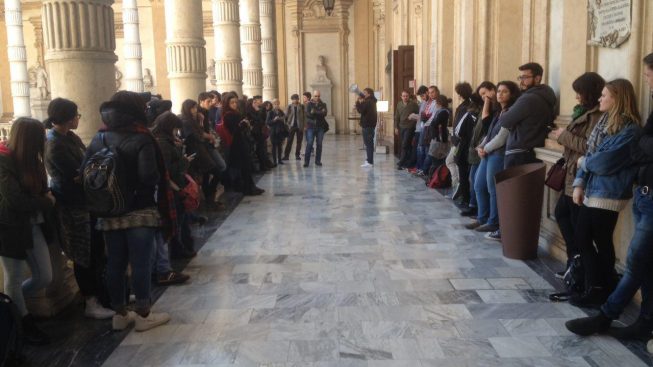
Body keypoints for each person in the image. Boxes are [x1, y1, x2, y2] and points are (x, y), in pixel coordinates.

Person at [565, 59, 653, 338]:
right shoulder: (606, 123)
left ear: (618, 98)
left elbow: (601, 162)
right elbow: (594, 158)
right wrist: (582, 175)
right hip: (638, 193)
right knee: (642, 263)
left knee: (635, 260)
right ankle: (641, 320)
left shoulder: (630, 128)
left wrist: (585, 164)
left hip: (612, 193)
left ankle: (604, 303)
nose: (647, 80)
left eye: (649, 75)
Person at [84, 91, 174, 332]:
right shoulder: (142, 137)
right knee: (142, 262)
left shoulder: (98, 136)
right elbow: (149, 177)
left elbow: (86, 171)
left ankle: (120, 314)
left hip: (109, 211)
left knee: (115, 262)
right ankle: (144, 314)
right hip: (139, 210)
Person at [43, 98, 115, 319]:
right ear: (66, 117)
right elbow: (79, 173)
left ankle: (105, 295)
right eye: (76, 114)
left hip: (85, 202)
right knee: (84, 255)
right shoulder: (54, 144)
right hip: (72, 207)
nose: (78, 118)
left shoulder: (69, 137)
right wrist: (87, 171)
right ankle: (90, 301)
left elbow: (87, 164)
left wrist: (87, 170)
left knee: (96, 251)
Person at [0, 118, 56, 345]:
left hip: (33, 225)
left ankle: (12, 308)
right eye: (40, 137)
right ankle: (22, 321)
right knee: (12, 278)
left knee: (44, 276)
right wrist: (46, 201)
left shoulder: (30, 159)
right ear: (29, 140)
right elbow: (14, 200)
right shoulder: (3, 160)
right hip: (10, 229)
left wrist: (44, 199)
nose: (44, 141)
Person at [548, 72, 605, 277]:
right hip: (571, 174)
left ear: (589, 92)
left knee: (576, 224)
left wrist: (564, 136)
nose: (577, 97)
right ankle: (574, 263)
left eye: (579, 92)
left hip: (580, 177)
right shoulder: (584, 112)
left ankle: (578, 268)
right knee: (563, 215)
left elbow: (589, 147)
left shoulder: (597, 116)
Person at [467, 81, 521, 238]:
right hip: (487, 152)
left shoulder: (511, 112)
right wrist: (481, 146)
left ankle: (493, 221)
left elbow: (502, 137)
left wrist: (485, 148)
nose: (500, 94)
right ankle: (482, 217)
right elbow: (490, 133)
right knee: (478, 185)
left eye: (504, 91)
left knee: (492, 189)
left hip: (498, 154)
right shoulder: (499, 112)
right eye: (498, 91)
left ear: (512, 94)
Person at [151, 112, 193, 284]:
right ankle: (172, 256)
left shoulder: (163, 140)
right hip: (170, 188)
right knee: (172, 221)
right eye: (175, 128)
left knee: (178, 218)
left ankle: (178, 248)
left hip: (172, 186)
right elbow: (167, 170)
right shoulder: (163, 143)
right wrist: (183, 161)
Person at [501, 62, 557, 168]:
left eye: (525, 77)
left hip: (519, 153)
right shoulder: (544, 96)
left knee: (513, 185)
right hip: (530, 151)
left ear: (537, 78)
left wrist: (505, 111)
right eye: (520, 77)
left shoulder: (528, 99)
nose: (521, 81)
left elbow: (505, 121)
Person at [461, 81, 497, 217]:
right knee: (476, 182)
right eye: (481, 95)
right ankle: (480, 213)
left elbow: (488, 126)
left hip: (488, 150)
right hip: (480, 148)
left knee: (484, 185)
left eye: (484, 93)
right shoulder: (485, 107)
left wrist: (483, 146)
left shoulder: (494, 109)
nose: (483, 97)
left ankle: (485, 216)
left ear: (492, 89)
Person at [180, 99, 222, 205]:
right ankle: (209, 197)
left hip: (201, 150)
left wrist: (201, 121)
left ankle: (209, 198)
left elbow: (200, 132)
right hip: (196, 152)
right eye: (193, 108)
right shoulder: (186, 121)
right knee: (215, 172)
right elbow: (197, 136)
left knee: (207, 174)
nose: (195, 110)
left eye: (195, 107)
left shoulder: (193, 120)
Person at [223, 93, 265, 196]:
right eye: (232, 102)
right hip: (236, 144)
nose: (234, 104)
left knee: (246, 166)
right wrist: (243, 124)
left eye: (235, 102)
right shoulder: (228, 115)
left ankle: (250, 187)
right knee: (244, 166)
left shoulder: (235, 113)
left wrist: (244, 124)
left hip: (241, 141)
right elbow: (235, 130)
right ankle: (247, 188)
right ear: (227, 103)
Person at [451, 93, 482, 205]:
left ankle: (466, 199)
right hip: (477, 148)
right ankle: (473, 202)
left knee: (464, 174)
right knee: (473, 176)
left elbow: (458, 131)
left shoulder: (468, 114)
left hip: (465, 148)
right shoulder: (481, 114)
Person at [447, 82, 474, 197]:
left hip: (460, 141)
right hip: (459, 140)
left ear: (460, 94)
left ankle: (458, 185)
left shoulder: (464, 107)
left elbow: (460, 126)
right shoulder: (467, 105)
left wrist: (455, 139)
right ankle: (459, 186)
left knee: (452, 161)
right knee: (455, 162)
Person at [412, 86, 439, 176]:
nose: (431, 94)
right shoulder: (428, 102)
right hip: (423, 127)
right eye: (430, 92)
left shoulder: (437, 102)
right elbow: (425, 114)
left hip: (428, 128)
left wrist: (424, 120)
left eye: (432, 92)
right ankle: (421, 168)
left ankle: (424, 169)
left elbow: (432, 116)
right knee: (421, 148)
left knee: (426, 149)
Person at [394, 90, 420, 170]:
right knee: (405, 145)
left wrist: (413, 122)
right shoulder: (399, 104)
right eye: (404, 96)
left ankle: (402, 162)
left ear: (409, 96)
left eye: (406, 96)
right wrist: (396, 127)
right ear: (401, 97)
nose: (405, 97)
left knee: (405, 144)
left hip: (410, 127)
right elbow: (397, 116)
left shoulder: (413, 104)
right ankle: (408, 162)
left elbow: (418, 115)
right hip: (401, 127)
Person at [304, 90, 328, 167]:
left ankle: (318, 161)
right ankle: (306, 162)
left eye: (318, 96)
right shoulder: (309, 104)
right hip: (311, 127)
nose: (317, 97)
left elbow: (324, 114)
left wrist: (314, 112)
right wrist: (319, 112)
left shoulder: (323, 104)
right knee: (310, 143)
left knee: (319, 144)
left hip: (320, 127)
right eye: (315, 96)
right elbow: (308, 115)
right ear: (313, 96)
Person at [356, 87, 378, 168]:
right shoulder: (372, 101)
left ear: (369, 93)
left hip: (367, 125)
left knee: (368, 144)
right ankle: (369, 159)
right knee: (369, 143)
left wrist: (358, 102)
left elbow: (360, 110)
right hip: (370, 125)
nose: (363, 94)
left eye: (364, 93)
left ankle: (369, 162)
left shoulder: (368, 101)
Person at [283, 94, 306, 161]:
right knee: (289, 141)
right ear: (292, 100)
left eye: (296, 99)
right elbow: (285, 116)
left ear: (298, 99)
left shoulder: (301, 106)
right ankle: (286, 156)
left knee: (299, 142)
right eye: (293, 99)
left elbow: (304, 117)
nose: (295, 100)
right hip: (291, 126)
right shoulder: (289, 106)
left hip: (299, 126)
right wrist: (286, 124)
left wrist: (305, 125)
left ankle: (297, 155)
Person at [267, 99, 287, 165]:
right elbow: (268, 122)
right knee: (274, 146)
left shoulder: (281, 111)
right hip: (273, 132)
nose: (277, 105)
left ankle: (279, 160)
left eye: (278, 104)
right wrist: (274, 120)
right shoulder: (270, 112)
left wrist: (282, 118)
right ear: (272, 105)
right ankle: (275, 161)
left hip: (280, 131)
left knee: (280, 146)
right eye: (275, 104)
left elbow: (284, 117)